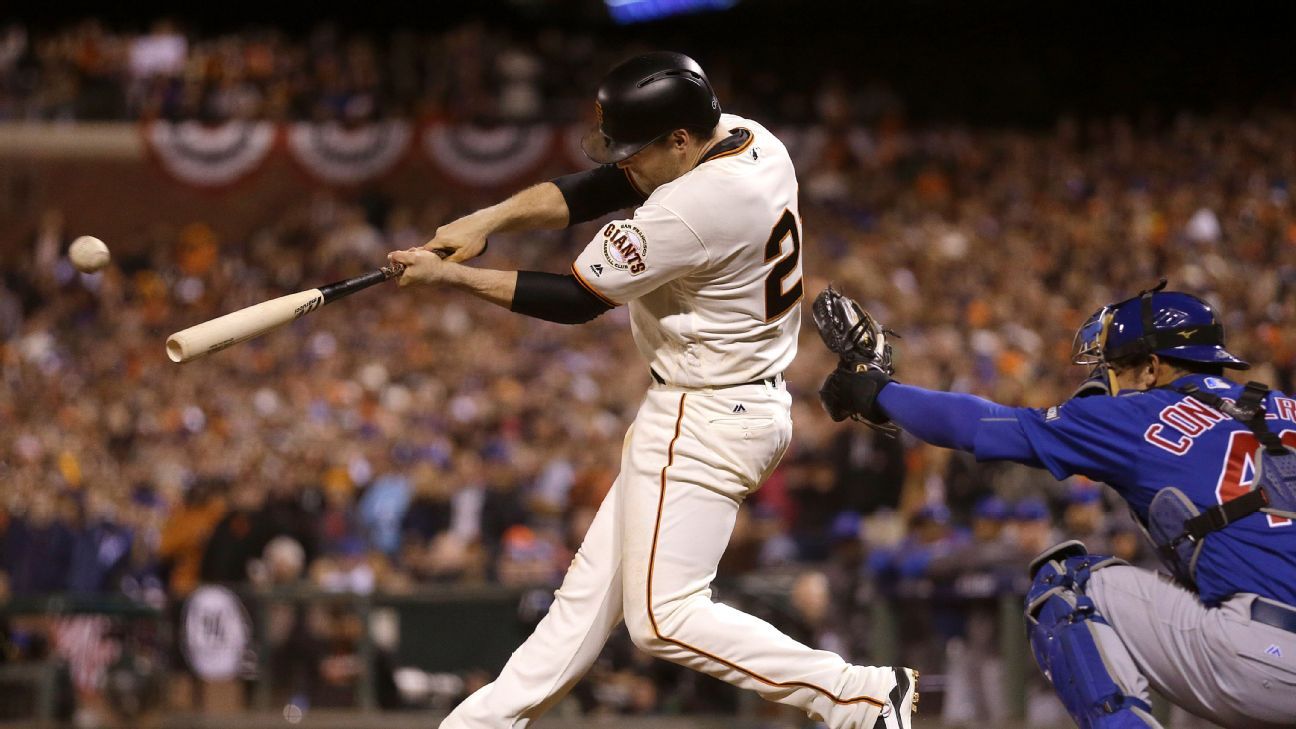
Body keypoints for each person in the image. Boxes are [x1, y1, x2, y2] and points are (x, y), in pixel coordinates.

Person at [390, 51, 918, 729]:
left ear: (678, 140)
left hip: (705, 412)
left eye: (638, 149)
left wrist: (452, 279)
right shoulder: (752, 139)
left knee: (662, 620)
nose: (625, 163)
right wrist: (485, 221)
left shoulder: (694, 206)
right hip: (730, 399)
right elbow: (598, 187)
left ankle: (856, 693)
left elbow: (577, 300)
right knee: (577, 615)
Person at [817, 283, 1296, 728]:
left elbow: (979, 424)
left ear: (1152, 368)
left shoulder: (1139, 413)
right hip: (1266, 642)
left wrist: (880, 392)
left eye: (1115, 367)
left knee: (1067, 584)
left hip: (1264, 655)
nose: (1107, 381)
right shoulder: (1284, 406)